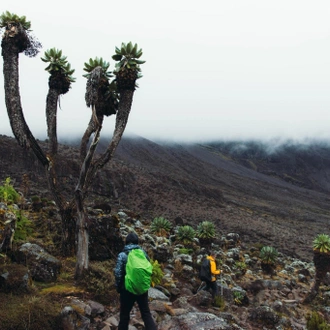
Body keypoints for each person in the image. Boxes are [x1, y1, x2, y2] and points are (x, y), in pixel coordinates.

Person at [114, 232, 157, 330]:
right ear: (137, 242)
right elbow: (148, 268)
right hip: (142, 289)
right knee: (146, 314)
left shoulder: (122, 254)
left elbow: (118, 273)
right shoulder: (143, 253)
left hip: (127, 289)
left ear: (126, 242)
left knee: (124, 315)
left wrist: (119, 287)